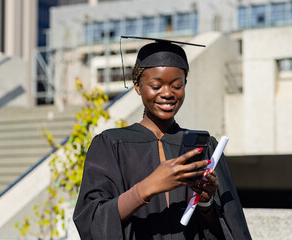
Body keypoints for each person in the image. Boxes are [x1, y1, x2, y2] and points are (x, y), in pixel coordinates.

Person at [73, 37, 251, 240]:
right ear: (138, 86)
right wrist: (147, 188)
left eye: (177, 85)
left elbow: (233, 232)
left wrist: (204, 203)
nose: (167, 93)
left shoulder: (205, 147)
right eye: (156, 85)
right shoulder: (111, 145)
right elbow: (91, 221)